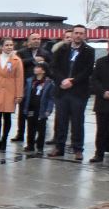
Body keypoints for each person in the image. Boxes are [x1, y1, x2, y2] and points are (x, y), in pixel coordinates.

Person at [48, 25, 95, 160]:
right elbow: (53, 67)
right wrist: (62, 80)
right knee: (60, 120)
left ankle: (77, 149)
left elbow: (87, 70)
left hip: (78, 91)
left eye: (81, 33)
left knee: (77, 121)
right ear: (72, 34)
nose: (78, 35)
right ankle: (58, 147)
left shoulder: (89, 51)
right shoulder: (62, 49)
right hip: (62, 90)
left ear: (85, 35)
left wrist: (72, 81)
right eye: (76, 33)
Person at [0, 38, 24, 151]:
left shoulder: (17, 60)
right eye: (7, 45)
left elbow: (19, 78)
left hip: (9, 91)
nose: (9, 47)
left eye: (11, 45)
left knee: (7, 116)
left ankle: (4, 140)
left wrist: (19, 95)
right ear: (2, 46)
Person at [12, 33, 52, 142]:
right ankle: (20, 134)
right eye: (34, 39)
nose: (37, 41)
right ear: (29, 41)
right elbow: (18, 64)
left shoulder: (45, 53)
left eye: (39, 39)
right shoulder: (22, 52)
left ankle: (37, 135)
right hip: (25, 85)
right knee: (23, 111)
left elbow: (50, 67)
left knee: (37, 111)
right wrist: (33, 60)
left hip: (40, 87)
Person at [22, 62, 55, 153]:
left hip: (42, 109)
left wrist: (49, 110)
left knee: (41, 129)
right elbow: (25, 94)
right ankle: (30, 145)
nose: (35, 69)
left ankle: (40, 147)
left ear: (43, 70)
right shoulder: (30, 81)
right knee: (30, 127)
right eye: (35, 67)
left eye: (38, 67)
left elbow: (51, 98)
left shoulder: (49, 83)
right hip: (31, 107)